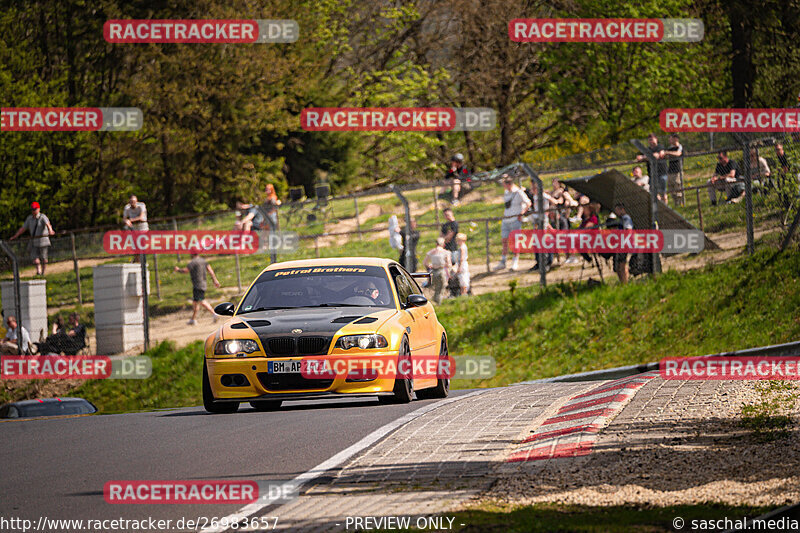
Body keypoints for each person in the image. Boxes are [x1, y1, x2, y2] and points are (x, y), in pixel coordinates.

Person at [9, 201, 54, 276]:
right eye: (33, 209)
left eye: (35, 209)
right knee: (34, 257)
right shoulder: (29, 219)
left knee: (44, 258)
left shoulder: (42, 217)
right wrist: (15, 236)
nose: (34, 211)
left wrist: (50, 230)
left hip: (43, 241)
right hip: (34, 241)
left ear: (38, 209)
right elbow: (23, 228)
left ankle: (43, 272)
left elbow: (48, 224)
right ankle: (38, 271)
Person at [174, 253, 221, 325]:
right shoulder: (203, 261)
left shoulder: (193, 262)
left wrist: (178, 270)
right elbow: (210, 271)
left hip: (197, 285)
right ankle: (193, 319)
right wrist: (215, 280)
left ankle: (214, 314)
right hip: (203, 284)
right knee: (196, 303)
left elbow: (186, 271)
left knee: (201, 301)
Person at [496, 176, 531, 271]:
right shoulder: (506, 192)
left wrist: (521, 214)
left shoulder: (518, 192)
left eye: (504, 184)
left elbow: (528, 203)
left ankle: (515, 260)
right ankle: (503, 261)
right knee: (504, 241)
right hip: (506, 220)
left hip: (515, 220)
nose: (503, 186)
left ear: (509, 184)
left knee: (515, 242)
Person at [636, 133, 668, 203]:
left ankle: (666, 207)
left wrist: (645, 157)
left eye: (652, 139)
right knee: (653, 193)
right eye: (649, 140)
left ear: (656, 139)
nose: (651, 141)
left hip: (661, 173)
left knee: (663, 193)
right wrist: (645, 157)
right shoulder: (647, 149)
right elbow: (639, 158)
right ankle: (660, 206)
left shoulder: (660, 147)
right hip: (652, 174)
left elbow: (656, 156)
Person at [424, 237, 453, 304]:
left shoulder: (431, 252)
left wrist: (430, 266)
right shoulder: (446, 252)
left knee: (435, 287)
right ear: (443, 244)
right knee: (442, 287)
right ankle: (438, 302)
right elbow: (449, 264)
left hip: (434, 271)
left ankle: (435, 301)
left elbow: (425, 262)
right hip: (442, 270)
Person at [612, 203, 634, 284]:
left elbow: (628, 231)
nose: (616, 212)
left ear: (622, 209)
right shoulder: (621, 219)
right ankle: (622, 282)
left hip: (624, 244)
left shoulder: (626, 218)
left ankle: (625, 282)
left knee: (622, 265)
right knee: (619, 266)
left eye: (617, 210)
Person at [123, 195, 149, 262]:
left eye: (134, 202)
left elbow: (141, 217)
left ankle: (143, 262)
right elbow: (124, 219)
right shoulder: (127, 208)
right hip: (134, 228)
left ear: (136, 201)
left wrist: (130, 220)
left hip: (143, 226)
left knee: (142, 244)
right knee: (135, 246)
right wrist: (126, 221)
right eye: (131, 202)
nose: (132, 203)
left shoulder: (141, 206)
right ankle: (137, 261)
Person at [664, 134, 684, 205]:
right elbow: (665, 156)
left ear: (675, 139)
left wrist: (667, 153)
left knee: (677, 187)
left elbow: (678, 153)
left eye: (670, 138)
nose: (669, 140)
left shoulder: (679, 147)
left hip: (677, 170)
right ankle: (676, 203)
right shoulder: (670, 148)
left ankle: (681, 203)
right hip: (670, 170)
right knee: (671, 188)